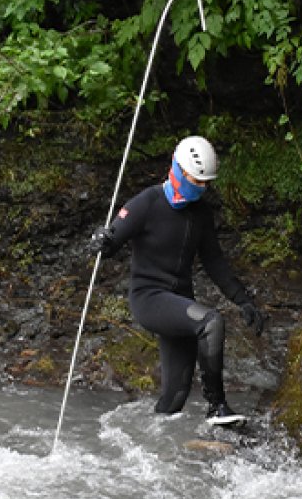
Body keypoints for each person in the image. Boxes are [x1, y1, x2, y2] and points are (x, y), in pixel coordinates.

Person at [88, 135, 266, 425]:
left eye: (206, 182)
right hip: (149, 298)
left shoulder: (201, 214)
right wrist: (101, 240)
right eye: (198, 180)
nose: (203, 187)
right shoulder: (148, 201)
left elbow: (214, 261)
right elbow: (110, 241)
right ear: (180, 171)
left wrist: (243, 300)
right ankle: (217, 407)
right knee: (211, 322)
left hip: (180, 302)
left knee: (175, 398)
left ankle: (149, 449)